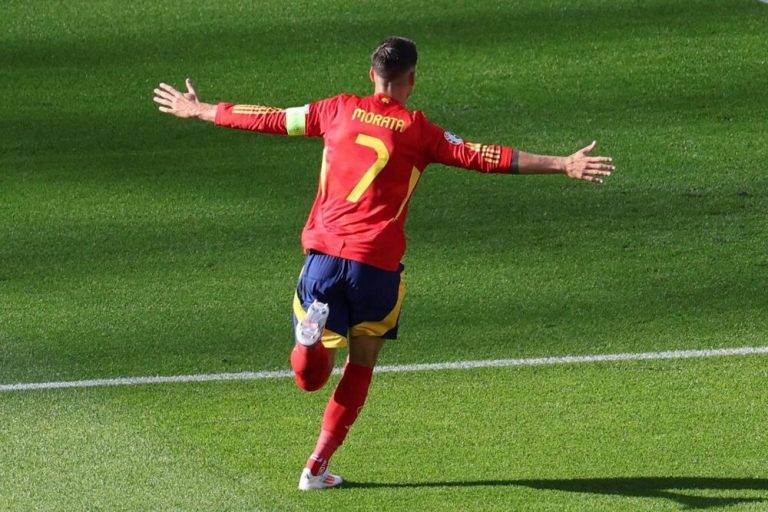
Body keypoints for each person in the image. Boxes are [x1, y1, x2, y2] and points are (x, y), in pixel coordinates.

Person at [152, 36, 614, 491]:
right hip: (376, 269)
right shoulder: (419, 132)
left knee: (309, 378)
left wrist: (201, 109)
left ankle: (310, 340)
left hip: (325, 259)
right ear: (411, 80)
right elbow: (485, 156)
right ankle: (315, 468)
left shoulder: (335, 110)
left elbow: (270, 118)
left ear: (371, 75)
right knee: (362, 365)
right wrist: (562, 164)